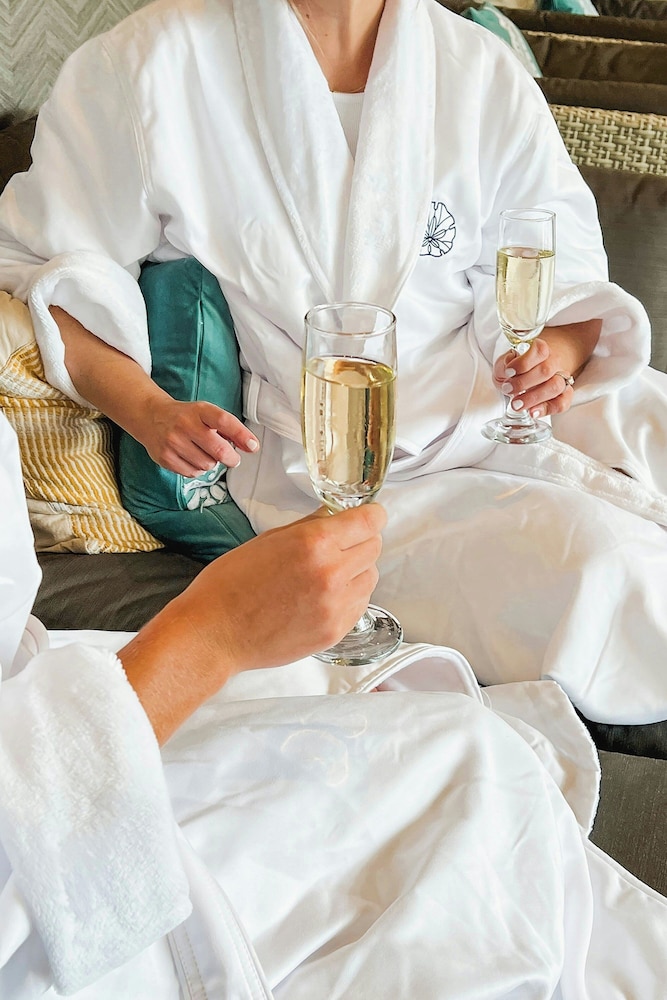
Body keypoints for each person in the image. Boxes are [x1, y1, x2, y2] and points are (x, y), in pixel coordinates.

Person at [1, 0, 667, 728]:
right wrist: (148, 409)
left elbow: (559, 266)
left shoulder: (478, 68)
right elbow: (49, 269)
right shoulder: (150, 63)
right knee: (611, 573)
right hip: (339, 476)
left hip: (516, 407)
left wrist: (553, 355)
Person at [1, 409, 666, 999]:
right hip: (54, 849)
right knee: (470, 760)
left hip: (58, 723)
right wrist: (209, 637)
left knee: (459, 744)